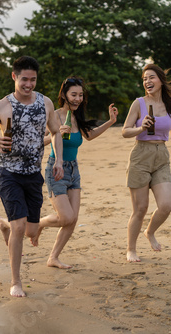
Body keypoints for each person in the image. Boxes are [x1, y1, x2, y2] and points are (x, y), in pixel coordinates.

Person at [0, 56, 64, 297]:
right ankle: (16, 282)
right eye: (24, 79)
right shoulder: (1, 106)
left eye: (33, 80)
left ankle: (4, 224)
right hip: (8, 173)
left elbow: (56, 132)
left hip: (33, 173)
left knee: (31, 232)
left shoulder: (45, 103)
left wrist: (58, 160)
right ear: (14, 77)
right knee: (19, 227)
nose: (28, 84)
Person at [32, 76, 118, 269]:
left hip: (74, 170)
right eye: (74, 94)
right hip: (56, 167)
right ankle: (39, 224)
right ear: (64, 95)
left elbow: (90, 135)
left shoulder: (77, 117)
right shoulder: (53, 115)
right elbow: (39, 141)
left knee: (73, 220)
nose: (78, 99)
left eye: (80, 95)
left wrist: (111, 122)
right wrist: (57, 133)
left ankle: (53, 257)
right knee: (65, 218)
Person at [122, 64, 171, 262]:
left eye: (151, 77)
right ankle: (131, 249)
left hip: (161, 156)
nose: (147, 82)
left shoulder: (170, 105)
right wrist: (140, 128)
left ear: (160, 80)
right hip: (140, 156)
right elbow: (125, 131)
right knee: (140, 209)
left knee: (166, 205)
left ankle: (150, 232)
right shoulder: (139, 103)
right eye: (144, 79)